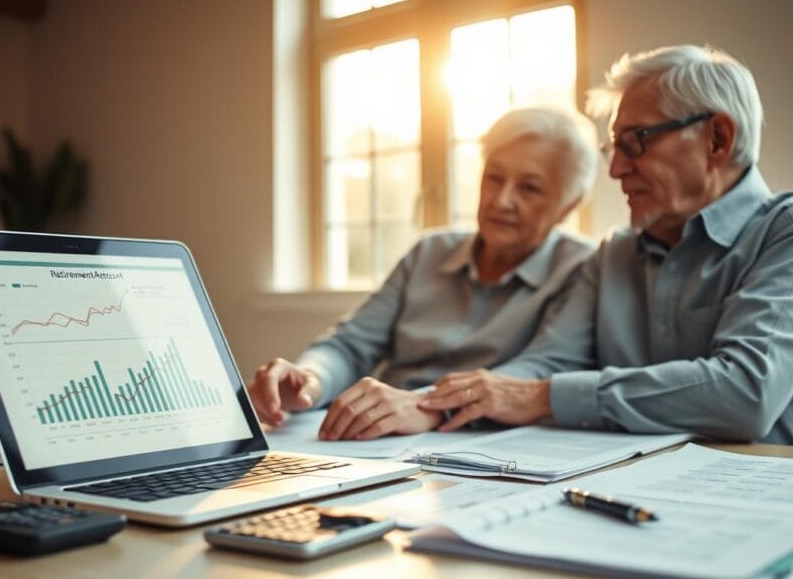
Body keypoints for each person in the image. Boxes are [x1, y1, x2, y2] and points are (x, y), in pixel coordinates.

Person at [419, 44, 793, 448]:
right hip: (639, 486)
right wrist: (432, 405)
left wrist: (543, 397)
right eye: (615, 147)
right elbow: (543, 364)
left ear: (717, 139)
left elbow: (746, 392)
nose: (615, 170)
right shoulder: (615, 253)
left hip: (783, 490)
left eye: (635, 143)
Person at [249, 106, 600, 441]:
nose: (501, 200)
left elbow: (540, 371)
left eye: (530, 188)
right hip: (379, 435)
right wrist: (311, 379)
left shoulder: (582, 267)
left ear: (568, 205)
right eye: (494, 178)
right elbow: (351, 343)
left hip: (470, 439)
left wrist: (424, 405)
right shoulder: (429, 251)